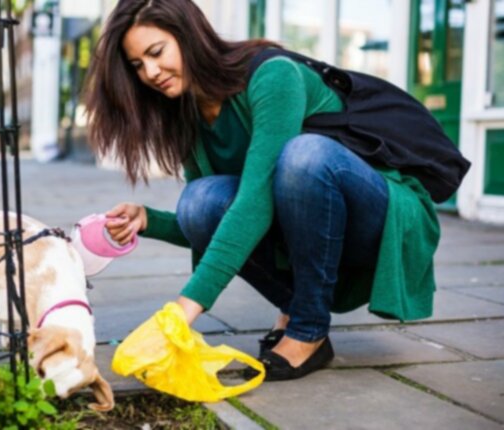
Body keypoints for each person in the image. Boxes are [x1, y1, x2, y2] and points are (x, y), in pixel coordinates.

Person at [83, 0, 442, 381]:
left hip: (376, 218)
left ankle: (306, 328)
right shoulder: (189, 114)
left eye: (156, 52)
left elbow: (254, 202)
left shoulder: (273, 75)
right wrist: (147, 221)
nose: (151, 72)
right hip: (310, 232)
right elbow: (216, 224)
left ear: (189, 36)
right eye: (138, 65)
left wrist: (183, 311)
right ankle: (301, 308)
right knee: (199, 201)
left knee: (303, 156)